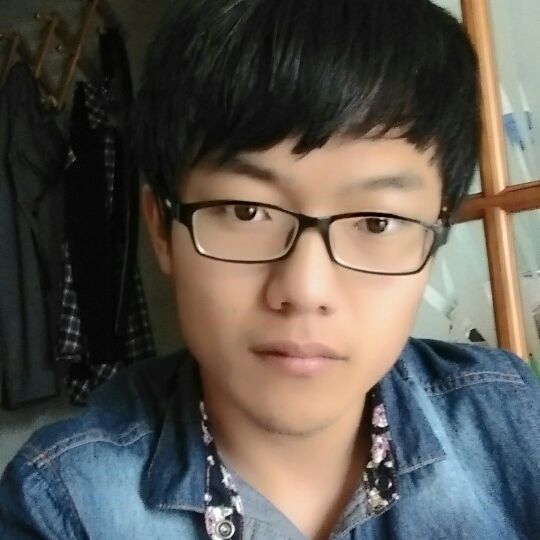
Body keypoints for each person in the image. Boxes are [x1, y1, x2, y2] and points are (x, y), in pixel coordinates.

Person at [1, 0, 540, 538]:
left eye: (377, 221)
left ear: (435, 236)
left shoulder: (508, 418)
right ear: (162, 228)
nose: (306, 289)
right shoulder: (65, 505)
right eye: (246, 211)